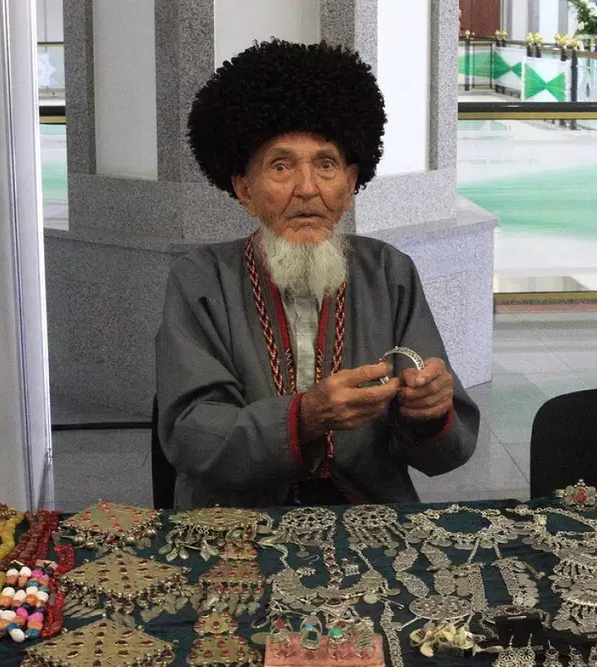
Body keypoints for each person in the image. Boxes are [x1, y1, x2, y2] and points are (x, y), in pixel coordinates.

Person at [156, 40, 480, 509]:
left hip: (367, 514)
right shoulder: (200, 279)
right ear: (244, 190)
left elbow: (448, 451)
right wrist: (304, 417)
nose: (307, 189)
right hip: (236, 523)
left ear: (349, 185)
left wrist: (429, 410)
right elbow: (191, 434)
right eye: (281, 166)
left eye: (325, 165)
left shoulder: (389, 273)